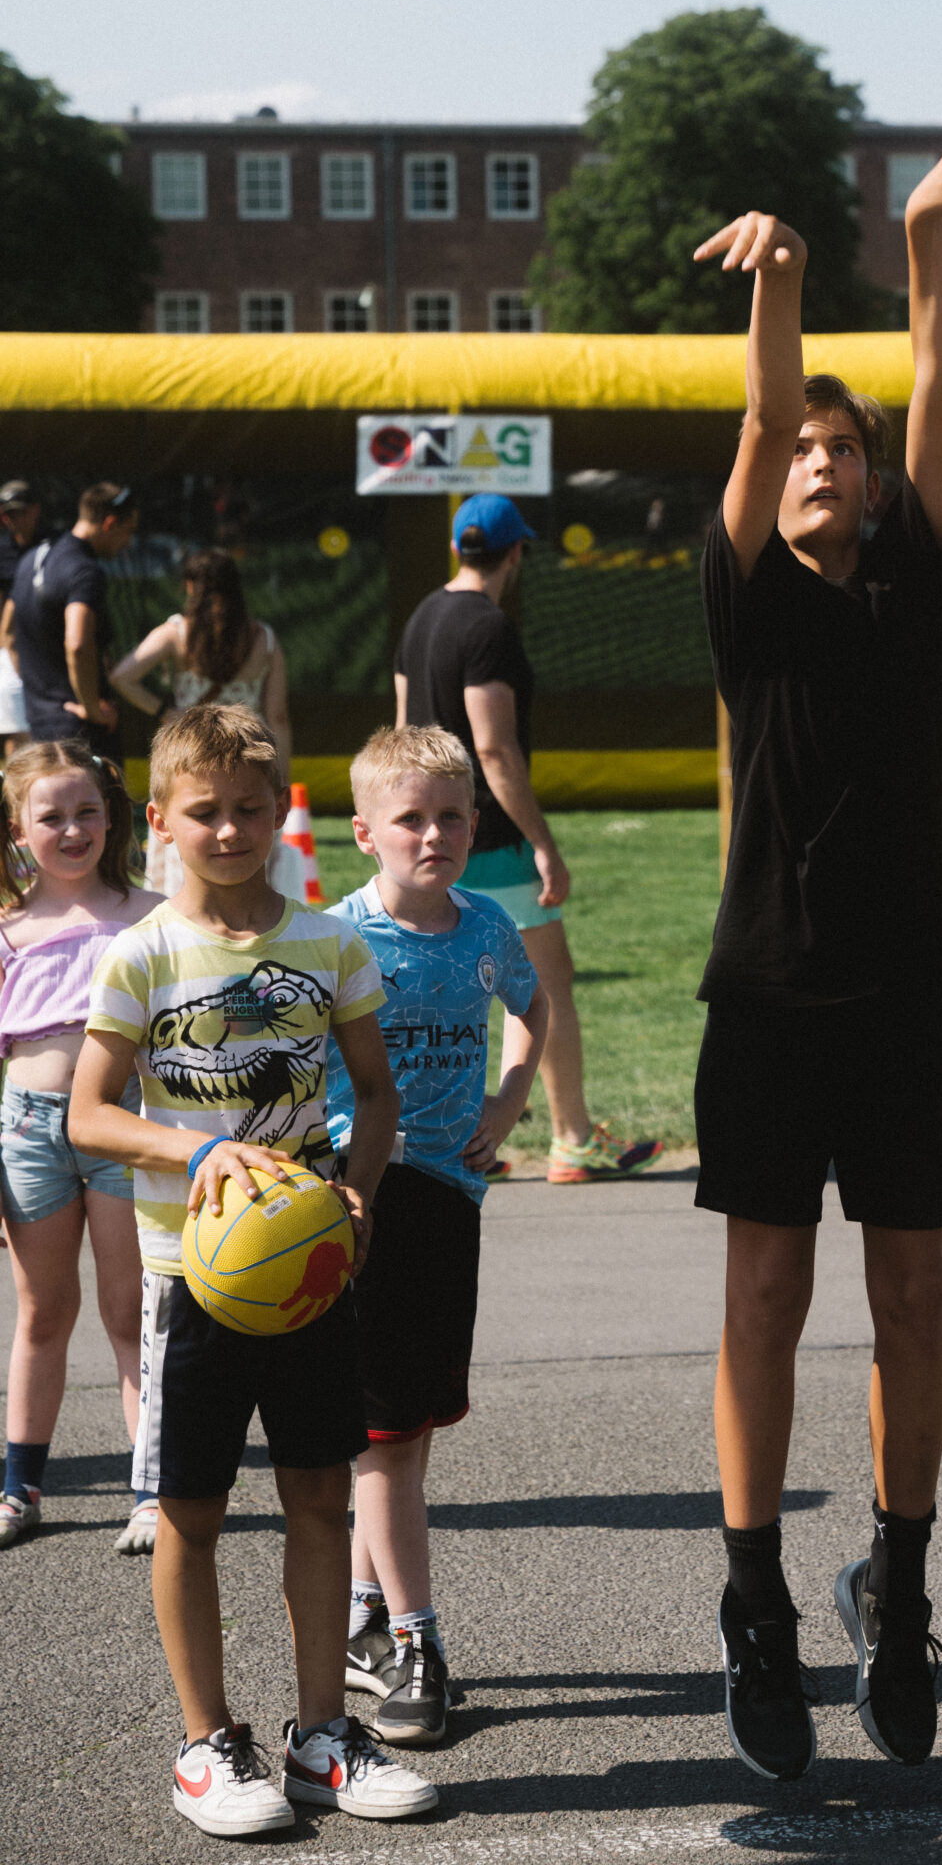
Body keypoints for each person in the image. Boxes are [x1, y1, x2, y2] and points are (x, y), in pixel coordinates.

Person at [691, 91, 942, 1782]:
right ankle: (757, 1605)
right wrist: (783, 284)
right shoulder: (746, 593)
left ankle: (897, 1585)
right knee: (762, 1289)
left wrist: (923, 238)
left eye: (847, 446)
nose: (826, 453)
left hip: (896, 993)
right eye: (807, 447)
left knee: (911, 1293)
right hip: (762, 995)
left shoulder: (912, 578)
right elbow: (756, 419)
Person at [68, 705, 437, 1837]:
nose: (229, 829)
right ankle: (205, 1742)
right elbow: (87, 1113)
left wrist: (359, 1186)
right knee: (190, 1512)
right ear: (164, 822)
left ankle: (323, 1733)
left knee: (322, 1500)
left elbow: (374, 1094)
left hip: (310, 1274)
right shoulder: (141, 953)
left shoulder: (330, 944)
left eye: (249, 808)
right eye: (204, 812)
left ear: (281, 812)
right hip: (193, 1278)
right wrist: (197, 1148)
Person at [328, 725, 546, 1748]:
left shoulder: (488, 926)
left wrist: (509, 1098)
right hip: (364, 1198)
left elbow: (534, 1008)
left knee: (409, 1431)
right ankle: (416, 1640)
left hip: (451, 1197)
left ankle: (365, 1622)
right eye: (410, 817)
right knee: (380, 1436)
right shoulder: (336, 939)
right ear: (365, 830)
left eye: (452, 814)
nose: (434, 834)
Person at [393, 492, 659, 1186]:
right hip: (488, 836)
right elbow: (495, 749)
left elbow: (401, 739)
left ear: (457, 547)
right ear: (517, 552)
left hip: (428, 836)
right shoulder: (488, 627)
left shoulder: (421, 617)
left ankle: (454, 1138)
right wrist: (542, 842)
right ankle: (571, 1137)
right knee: (542, 985)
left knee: (445, 988)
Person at [0, 741, 158, 1553]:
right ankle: (18, 1485)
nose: (71, 829)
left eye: (86, 811)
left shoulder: (150, 915)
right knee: (42, 1313)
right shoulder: (8, 927)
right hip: (29, 1133)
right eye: (50, 816)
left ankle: (150, 1489)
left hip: (126, 1129)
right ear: (19, 830)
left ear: (112, 816)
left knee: (131, 1314)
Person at [111, 548, 293, 891]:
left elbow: (122, 675)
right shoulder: (263, 639)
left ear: (190, 586)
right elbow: (278, 716)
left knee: (189, 838)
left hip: (188, 757)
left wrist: (163, 711)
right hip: (248, 759)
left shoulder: (176, 633)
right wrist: (281, 775)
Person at [7, 480, 139, 764]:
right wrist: (91, 709)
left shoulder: (32, 559)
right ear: (109, 522)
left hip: (41, 727)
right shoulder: (84, 571)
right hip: (83, 733)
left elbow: (7, 634)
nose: (127, 543)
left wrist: (40, 692)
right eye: (127, 532)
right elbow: (77, 643)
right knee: (106, 806)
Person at [0, 481, 46, 758]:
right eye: (7, 514)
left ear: (35, 509)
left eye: (19, 512)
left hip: (47, 652)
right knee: (18, 732)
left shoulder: (53, 545)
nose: (12, 520)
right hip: (10, 655)